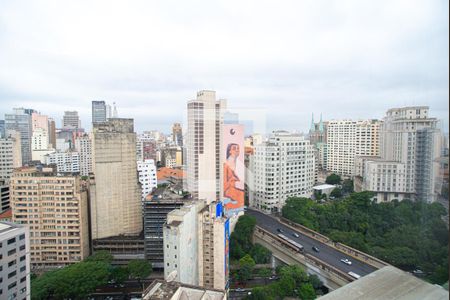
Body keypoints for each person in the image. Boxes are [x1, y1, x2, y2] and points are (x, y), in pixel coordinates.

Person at [223, 143, 244, 210]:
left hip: (235, 191)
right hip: (229, 192)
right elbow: (224, 185)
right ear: (229, 151)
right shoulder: (225, 166)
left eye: (238, 148)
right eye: (234, 148)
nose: (237, 150)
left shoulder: (238, 165)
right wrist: (233, 180)